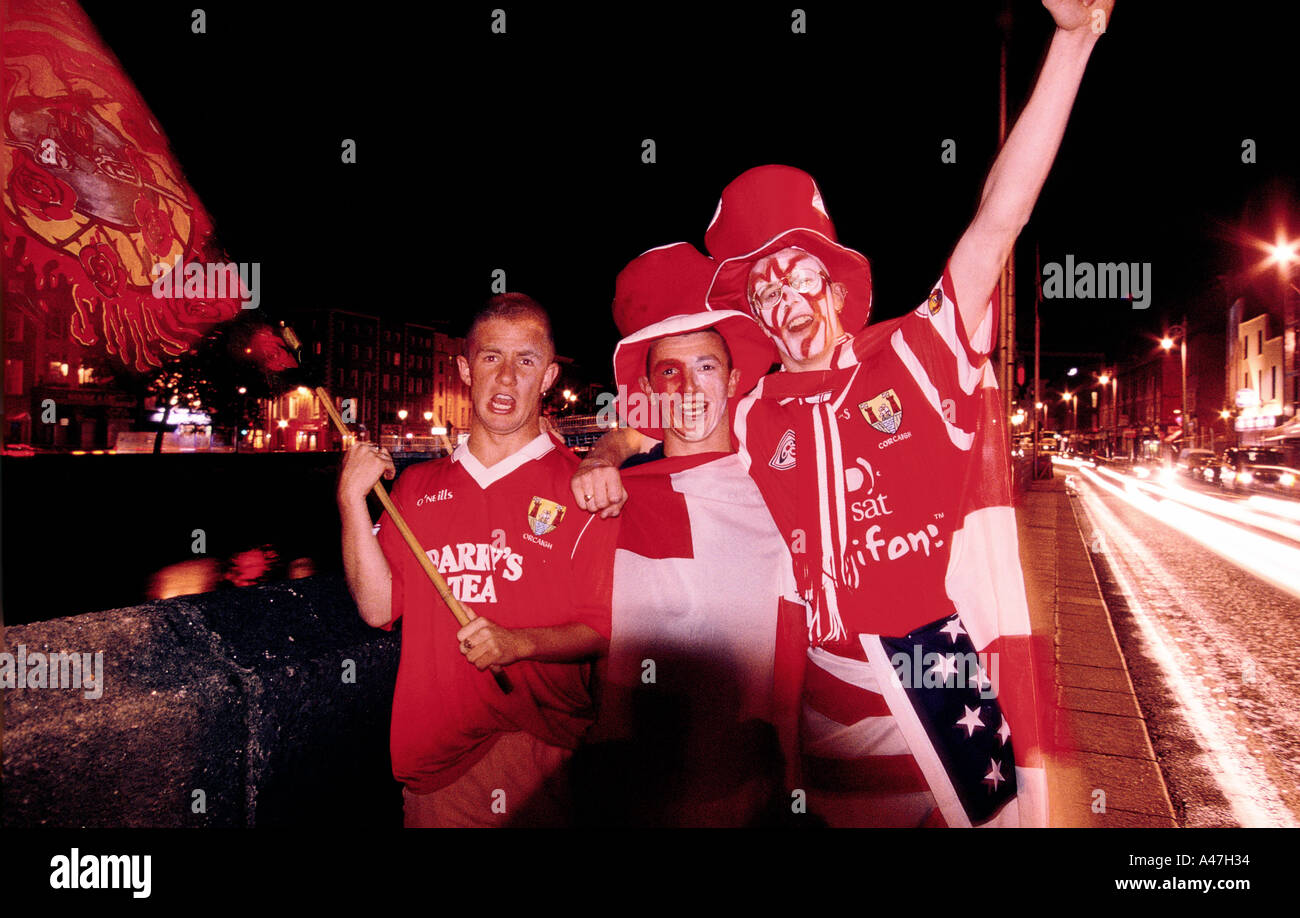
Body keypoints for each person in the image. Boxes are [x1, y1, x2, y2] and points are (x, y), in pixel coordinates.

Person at [572, 0, 1115, 826]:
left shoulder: (915, 355)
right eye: (761, 289)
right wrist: (605, 451)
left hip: (939, 675)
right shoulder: (757, 411)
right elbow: (662, 411)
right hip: (827, 697)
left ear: (834, 284)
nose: (781, 297)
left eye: (795, 274)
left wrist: (1074, 42)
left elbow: (998, 220)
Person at [338, 292, 609, 827]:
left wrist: (518, 643)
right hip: (439, 764)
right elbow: (377, 608)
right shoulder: (416, 487)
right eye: (491, 357)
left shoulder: (585, 486)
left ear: (549, 376)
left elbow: (605, 630)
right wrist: (350, 501)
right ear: (465, 367)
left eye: (525, 361)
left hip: (546, 755)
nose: (507, 378)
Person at [568, 242, 808, 826]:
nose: (689, 388)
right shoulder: (617, 497)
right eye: (668, 373)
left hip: (766, 777)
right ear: (649, 392)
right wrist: (605, 453)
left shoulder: (785, 487)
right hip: (649, 785)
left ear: (734, 379)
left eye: (706, 367)